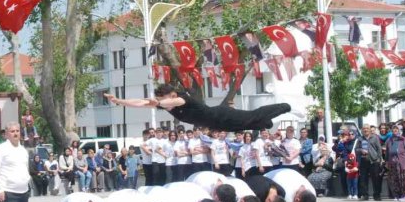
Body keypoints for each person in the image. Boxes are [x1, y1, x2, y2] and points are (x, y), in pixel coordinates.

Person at [105, 86, 291, 133]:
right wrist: (119, 100)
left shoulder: (180, 99)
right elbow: (141, 103)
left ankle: (284, 106)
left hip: (221, 115)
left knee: (253, 115)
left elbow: (164, 103)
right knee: (250, 126)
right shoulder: (165, 103)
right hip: (217, 124)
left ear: (170, 94)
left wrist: (157, 102)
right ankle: (266, 124)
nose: (160, 101)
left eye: (162, 97)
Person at [385, 124, 405, 202]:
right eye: (393, 129)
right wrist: (387, 161)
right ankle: (397, 195)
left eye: (396, 129)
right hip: (392, 162)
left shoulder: (403, 140)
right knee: (394, 178)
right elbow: (387, 152)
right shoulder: (389, 140)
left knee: (404, 179)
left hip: (402, 161)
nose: (395, 130)